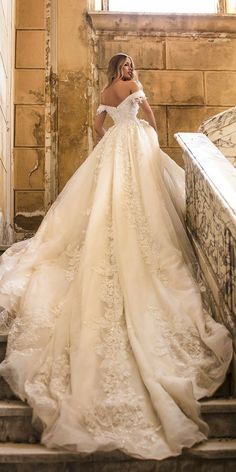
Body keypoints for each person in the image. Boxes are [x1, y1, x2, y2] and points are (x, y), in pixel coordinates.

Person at [0, 53, 232, 460]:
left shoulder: (105, 91)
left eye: (129, 68)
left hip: (112, 150)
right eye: (125, 67)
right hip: (135, 147)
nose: (128, 72)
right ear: (121, 70)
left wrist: (112, 137)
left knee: (111, 205)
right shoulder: (131, 88)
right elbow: (151, 116)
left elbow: (96, 125)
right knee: (141, 203)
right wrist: (145, 131)